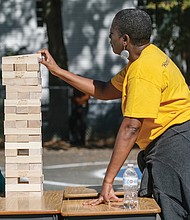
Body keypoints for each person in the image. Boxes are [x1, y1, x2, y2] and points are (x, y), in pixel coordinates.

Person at [38, 8, 190, 220]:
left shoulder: (143, 70)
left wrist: (108, 182)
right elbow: (103, 90)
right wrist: (57, 71)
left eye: (112, 35)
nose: (110, 39)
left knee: (176, 212)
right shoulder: (147, 57)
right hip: (172, 141)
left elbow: (131, 127)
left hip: (174, 147)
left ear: (125, 39)